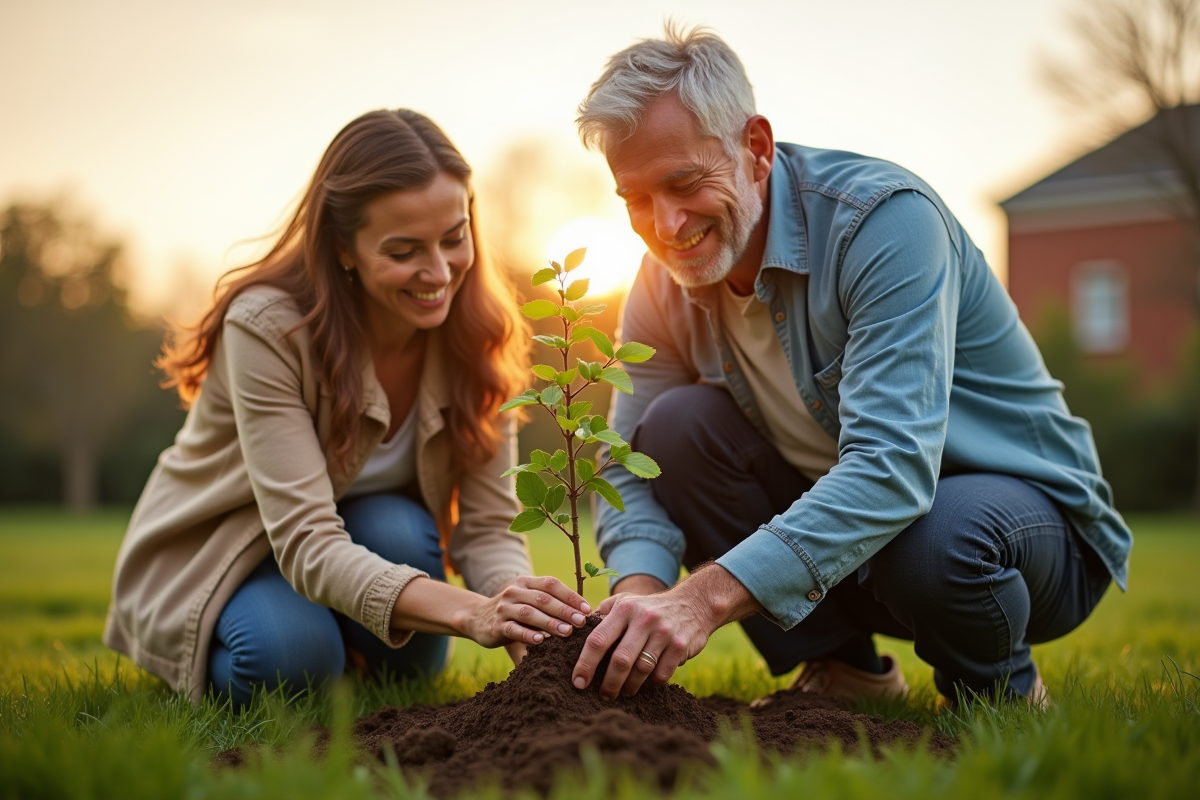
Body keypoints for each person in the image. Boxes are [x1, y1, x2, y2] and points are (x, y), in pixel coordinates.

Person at [568, 26, 1131, 707]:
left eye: (683, 182)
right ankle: (846, 671)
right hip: (861, 560)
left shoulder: (883, 224)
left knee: (935, 535)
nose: (665, 224)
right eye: (635, 199)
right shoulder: (661, 282)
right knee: (676, 425)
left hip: (1023, 542)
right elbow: (626, 461)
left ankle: (1000, 697)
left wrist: (703, 599)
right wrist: (640, 600)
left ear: (756, 148)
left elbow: (892, 472)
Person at [104, 109, 591, 707]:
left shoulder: (479, 333)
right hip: (229, 553)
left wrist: (527, 620)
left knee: (396, 532)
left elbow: (488, 527)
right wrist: (472, 613)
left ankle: (351, 654)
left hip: (374, 544)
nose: (439, 273)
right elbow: (306, 539)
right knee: (290, 657)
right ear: (343, 248)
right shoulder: (268, 329)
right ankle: (298, 644)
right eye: (403, 249)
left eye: (454, 237)